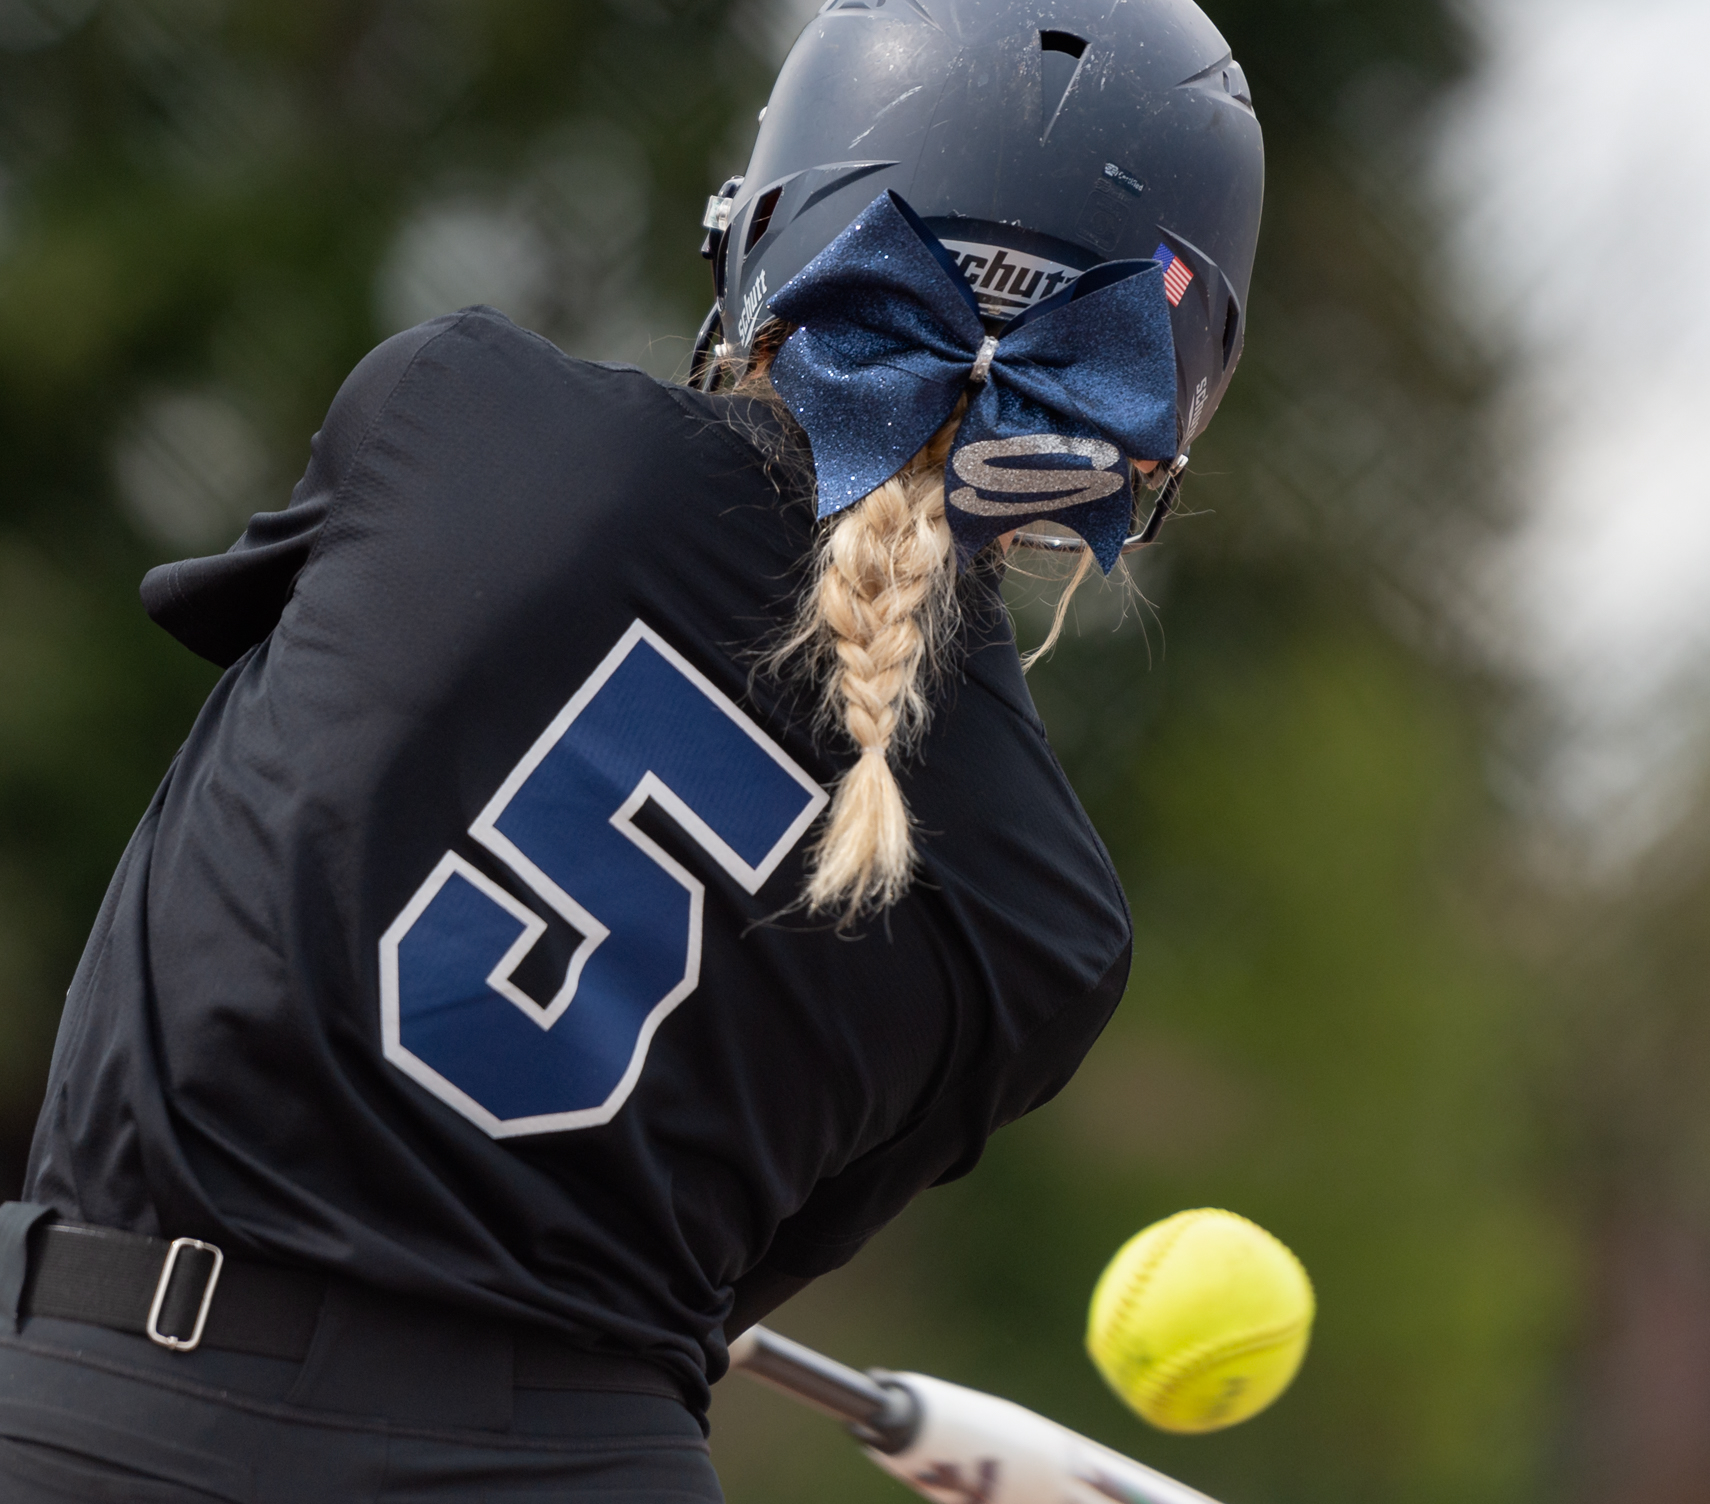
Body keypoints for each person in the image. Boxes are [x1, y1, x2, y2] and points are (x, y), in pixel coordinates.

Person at [0, 0, 1262, 1496]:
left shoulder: (460, 410)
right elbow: (725, 1290)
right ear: (1167, 387)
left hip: (89, 1404)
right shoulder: (1055, 928)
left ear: (774, 225)